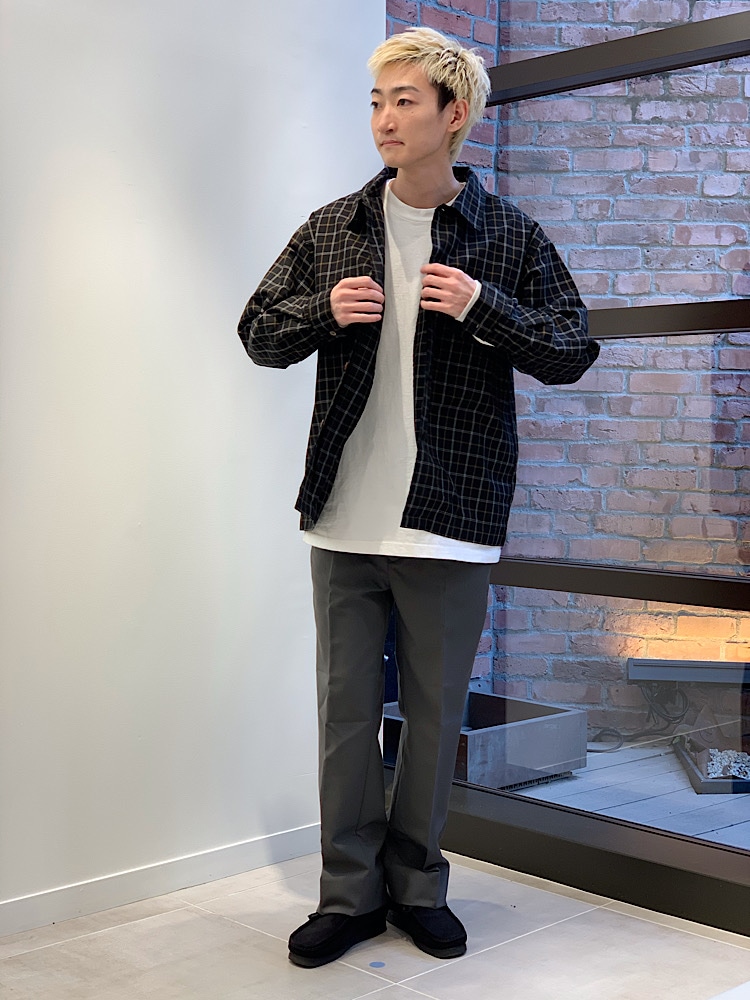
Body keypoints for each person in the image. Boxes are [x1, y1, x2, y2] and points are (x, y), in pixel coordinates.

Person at [238, 26, 599, 969]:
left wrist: (484, 306)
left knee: (435, 719)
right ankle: (348, 898)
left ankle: (419, 887)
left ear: (454, 114)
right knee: (345, 717)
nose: (385, 119)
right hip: (344, 516)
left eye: (404, 101)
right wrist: (322, 313)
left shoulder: (509, 234)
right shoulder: (333, 228)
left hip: (451, 517)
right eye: (376, 101)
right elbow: (257, 332)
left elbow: (572, 350)